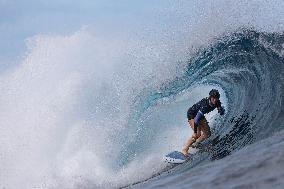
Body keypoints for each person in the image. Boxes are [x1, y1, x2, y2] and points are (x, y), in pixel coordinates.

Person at [181, 89, 225, 156]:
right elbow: (196, 120)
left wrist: (221, 110)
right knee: (197, 134)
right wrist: (195, 132)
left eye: (216, 98)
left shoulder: (217, 102)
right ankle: (184, 150)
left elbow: (221, 111)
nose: (215, 100)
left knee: (207, 134)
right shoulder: (205, 106)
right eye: (213, 98)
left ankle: (196, 144)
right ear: (210, 97)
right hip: (192, 114)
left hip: (200, 115)